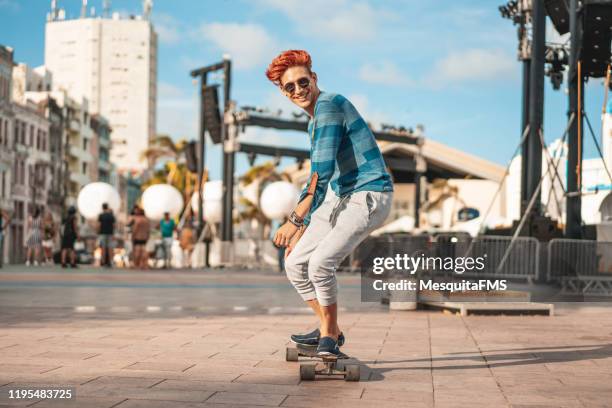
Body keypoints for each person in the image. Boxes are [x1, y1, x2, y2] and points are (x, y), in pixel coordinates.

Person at [266, 50, 394, 357]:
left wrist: (294, 221)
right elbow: (321, 183)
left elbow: (320, 173)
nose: (298, 90)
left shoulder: (330, 105)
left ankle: (329, 336)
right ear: (283, 92)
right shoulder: (314, 122)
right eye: (290, 87)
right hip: (340, 194)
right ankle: (329, 328)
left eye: (302, 81)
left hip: (369, 193)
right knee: (296, 263)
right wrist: (304, 227)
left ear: (314, 78)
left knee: (320, 264)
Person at [98, 203, 116, 267]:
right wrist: (113, 233)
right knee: (110, 248)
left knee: (103, 248)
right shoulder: (111, 215)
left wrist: (98, 232)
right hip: (110, 233)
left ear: (102, 208)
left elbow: (99, 225)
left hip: (103, 233)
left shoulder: (101, 215)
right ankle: (111, 261)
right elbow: (114, 226)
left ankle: (103, 261)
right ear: (107, 207)